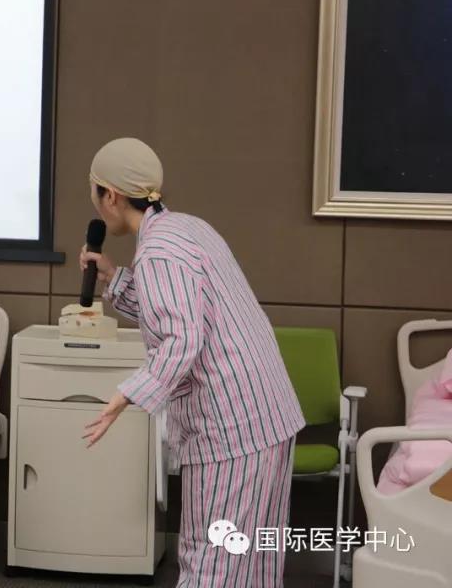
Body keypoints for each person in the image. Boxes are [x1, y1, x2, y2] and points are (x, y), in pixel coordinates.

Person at [78, 137, 304, 588]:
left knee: (212, 561)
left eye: (96, 192)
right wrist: (115, 278)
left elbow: (182, 337)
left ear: (111, 195)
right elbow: (185, 310)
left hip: (232, 427)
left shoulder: (157, 251)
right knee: (253, 561)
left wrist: (127, 394)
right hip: (268, 415)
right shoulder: (187, 228)